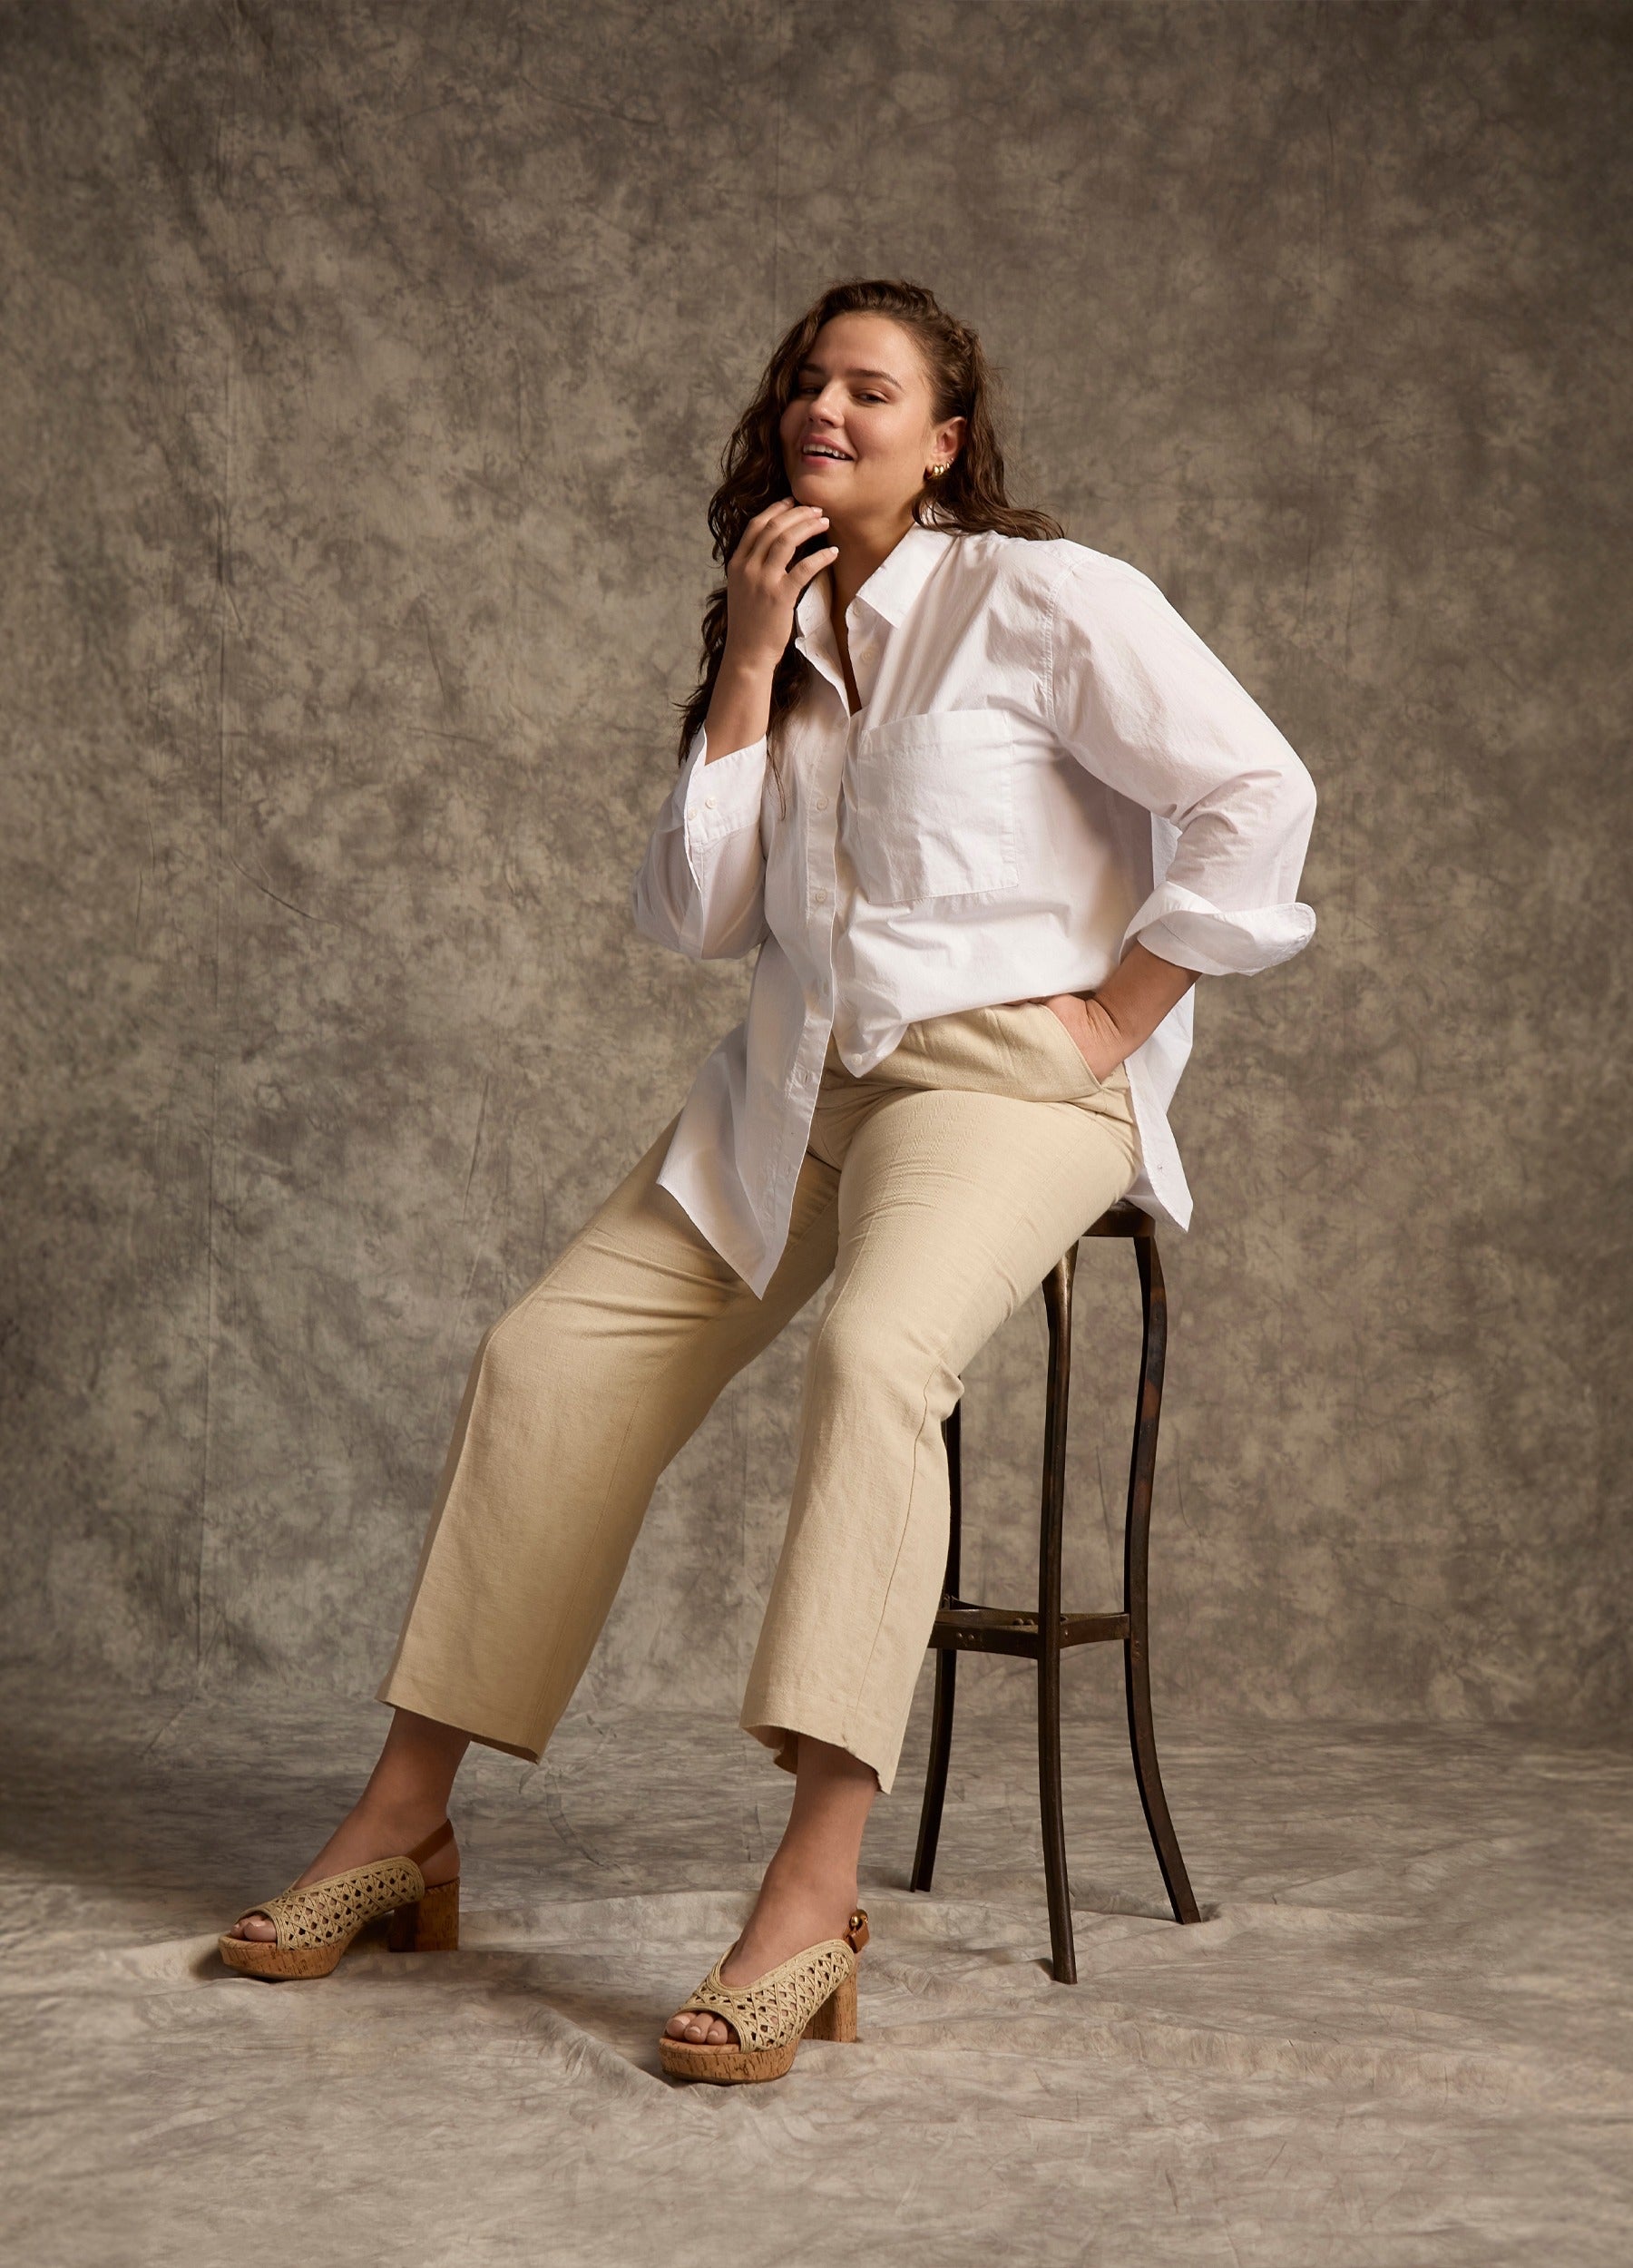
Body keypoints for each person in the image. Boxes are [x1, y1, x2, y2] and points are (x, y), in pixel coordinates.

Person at [218, 277, 1318, 2085]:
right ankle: (404, 1823)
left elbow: (1258, 792)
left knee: (875, 1356)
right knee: (547, 1356)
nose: (828, 407)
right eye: (810, 381)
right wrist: (747, 661)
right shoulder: (783, 630)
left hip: (1002, 1083)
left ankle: (812, 1895)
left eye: (872, 388)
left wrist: (1122, 1012)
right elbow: (693, 914)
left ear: (943, 441)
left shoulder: (1041, 596)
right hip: (799, 1088)